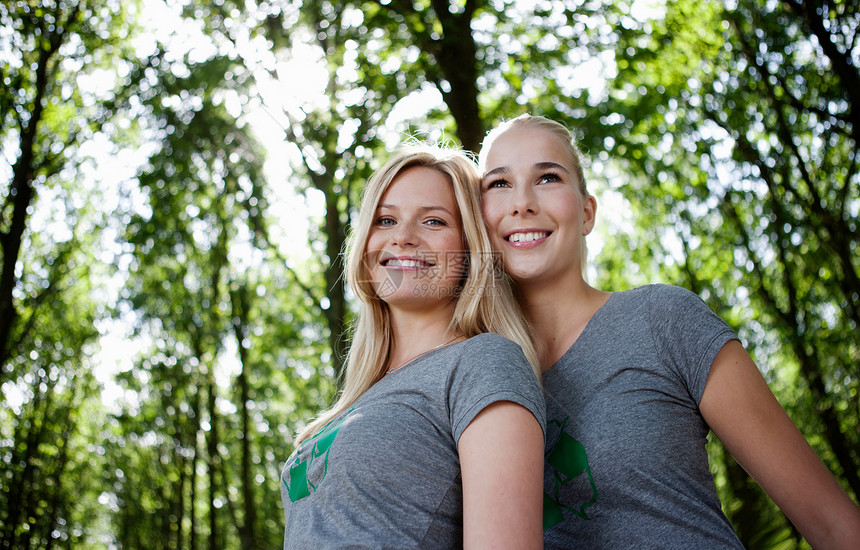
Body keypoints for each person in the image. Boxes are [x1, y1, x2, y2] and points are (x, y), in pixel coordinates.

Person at [477, 114, 860, 549]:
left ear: (586, 212)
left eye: (547, 177)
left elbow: (834, 525)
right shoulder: (472, 374)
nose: (522, 202)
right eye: (498, 183)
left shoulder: (663, 320)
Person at [280, 145, 546, 549]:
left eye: (433, 221)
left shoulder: (484, 362)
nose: (402, 237)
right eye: (385, 219)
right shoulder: (362, 397)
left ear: (470, 248)